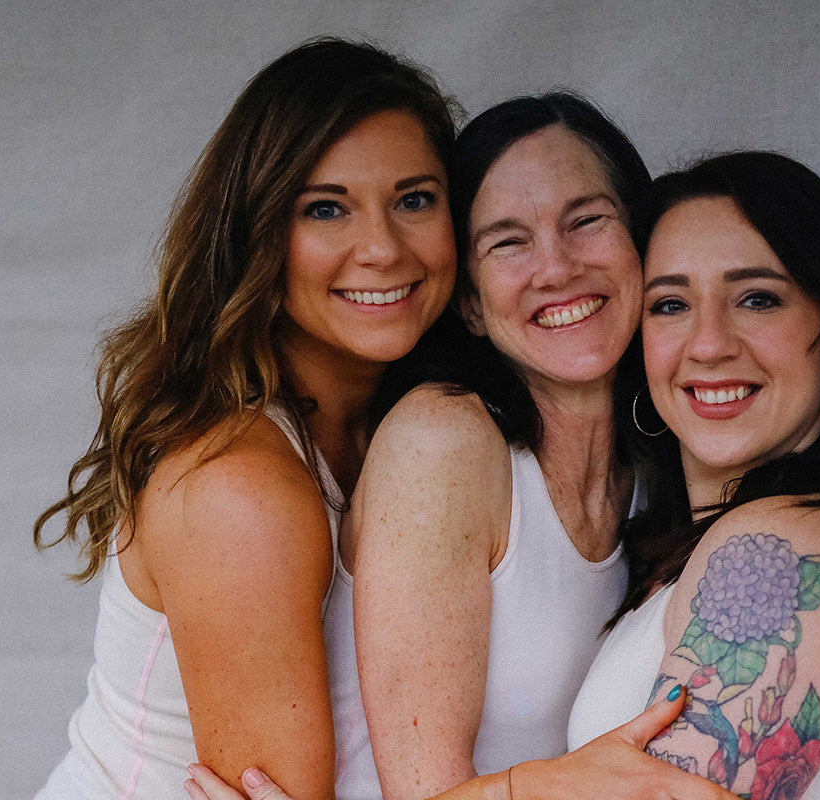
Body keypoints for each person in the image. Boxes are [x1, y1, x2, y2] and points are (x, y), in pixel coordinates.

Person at [184, 95, 736, 800]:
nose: (557, 267)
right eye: (508, 242)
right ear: (470, 304)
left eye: (588, 220)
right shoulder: (444, 444)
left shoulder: (658, 469)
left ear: (643, 245)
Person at [32, 38, 458, 799]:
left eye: (415, 199)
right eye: (326, 208)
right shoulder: (241, 490)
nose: (384, 248)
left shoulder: (410, 426)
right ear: (258, 232)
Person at [567, 151, 820, 800]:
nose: (710, 343)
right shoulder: (694, 553)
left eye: (757, 298)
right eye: (669, 305)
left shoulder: (794, 545)